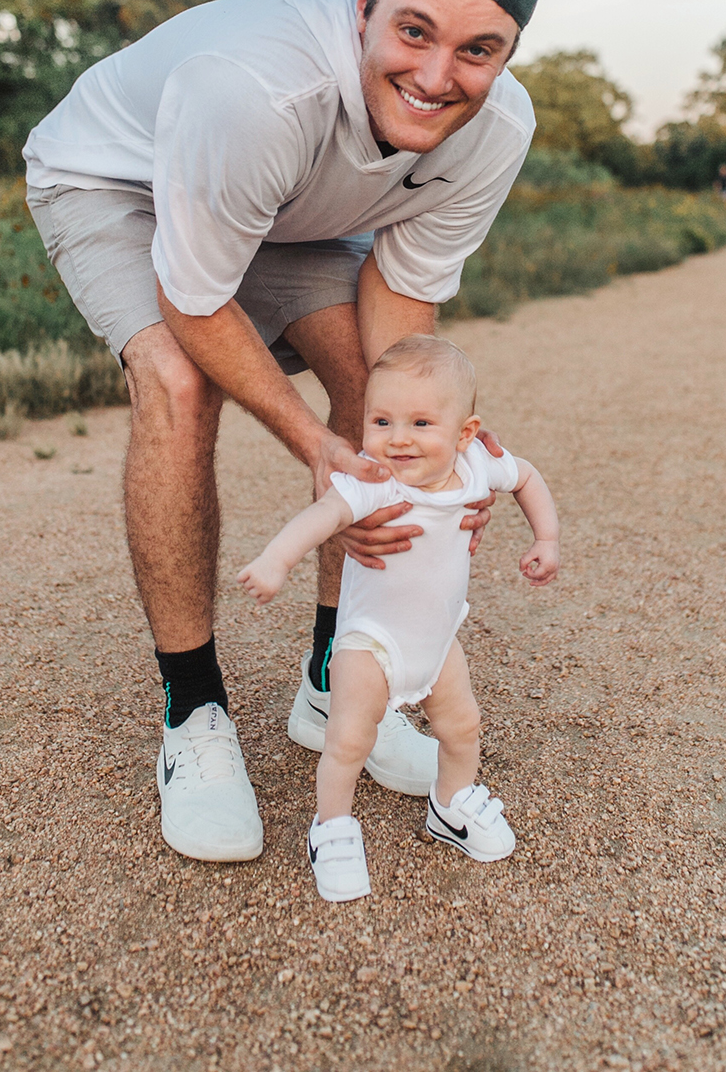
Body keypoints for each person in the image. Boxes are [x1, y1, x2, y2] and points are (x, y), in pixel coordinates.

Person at [22, 0, 549, 863]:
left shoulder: (497, 129)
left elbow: (399, 307)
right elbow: (192, 296)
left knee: (374, 387)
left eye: (477, 50)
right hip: (119, 181)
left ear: (509, 51)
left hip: (288, 207)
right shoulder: (253, 86)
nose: (438, 76)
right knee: (180, 384)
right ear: (362, 2)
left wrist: (418, 438)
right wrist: (314, 444)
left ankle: (329, 678)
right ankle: (193, 715)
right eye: (413, 31)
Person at [237, 335, 560, 901]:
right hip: (371, 644)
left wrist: (547, 536)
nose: (398, 439)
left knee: (462, 728)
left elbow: (527, 477)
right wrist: (275, 559)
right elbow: (321, 516)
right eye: (381, 421)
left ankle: (451, 805)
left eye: (420, 423)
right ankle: (331, 827)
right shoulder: (373, 482)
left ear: (464, 432)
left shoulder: (480, 464)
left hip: (437, 641)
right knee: (349, 740)